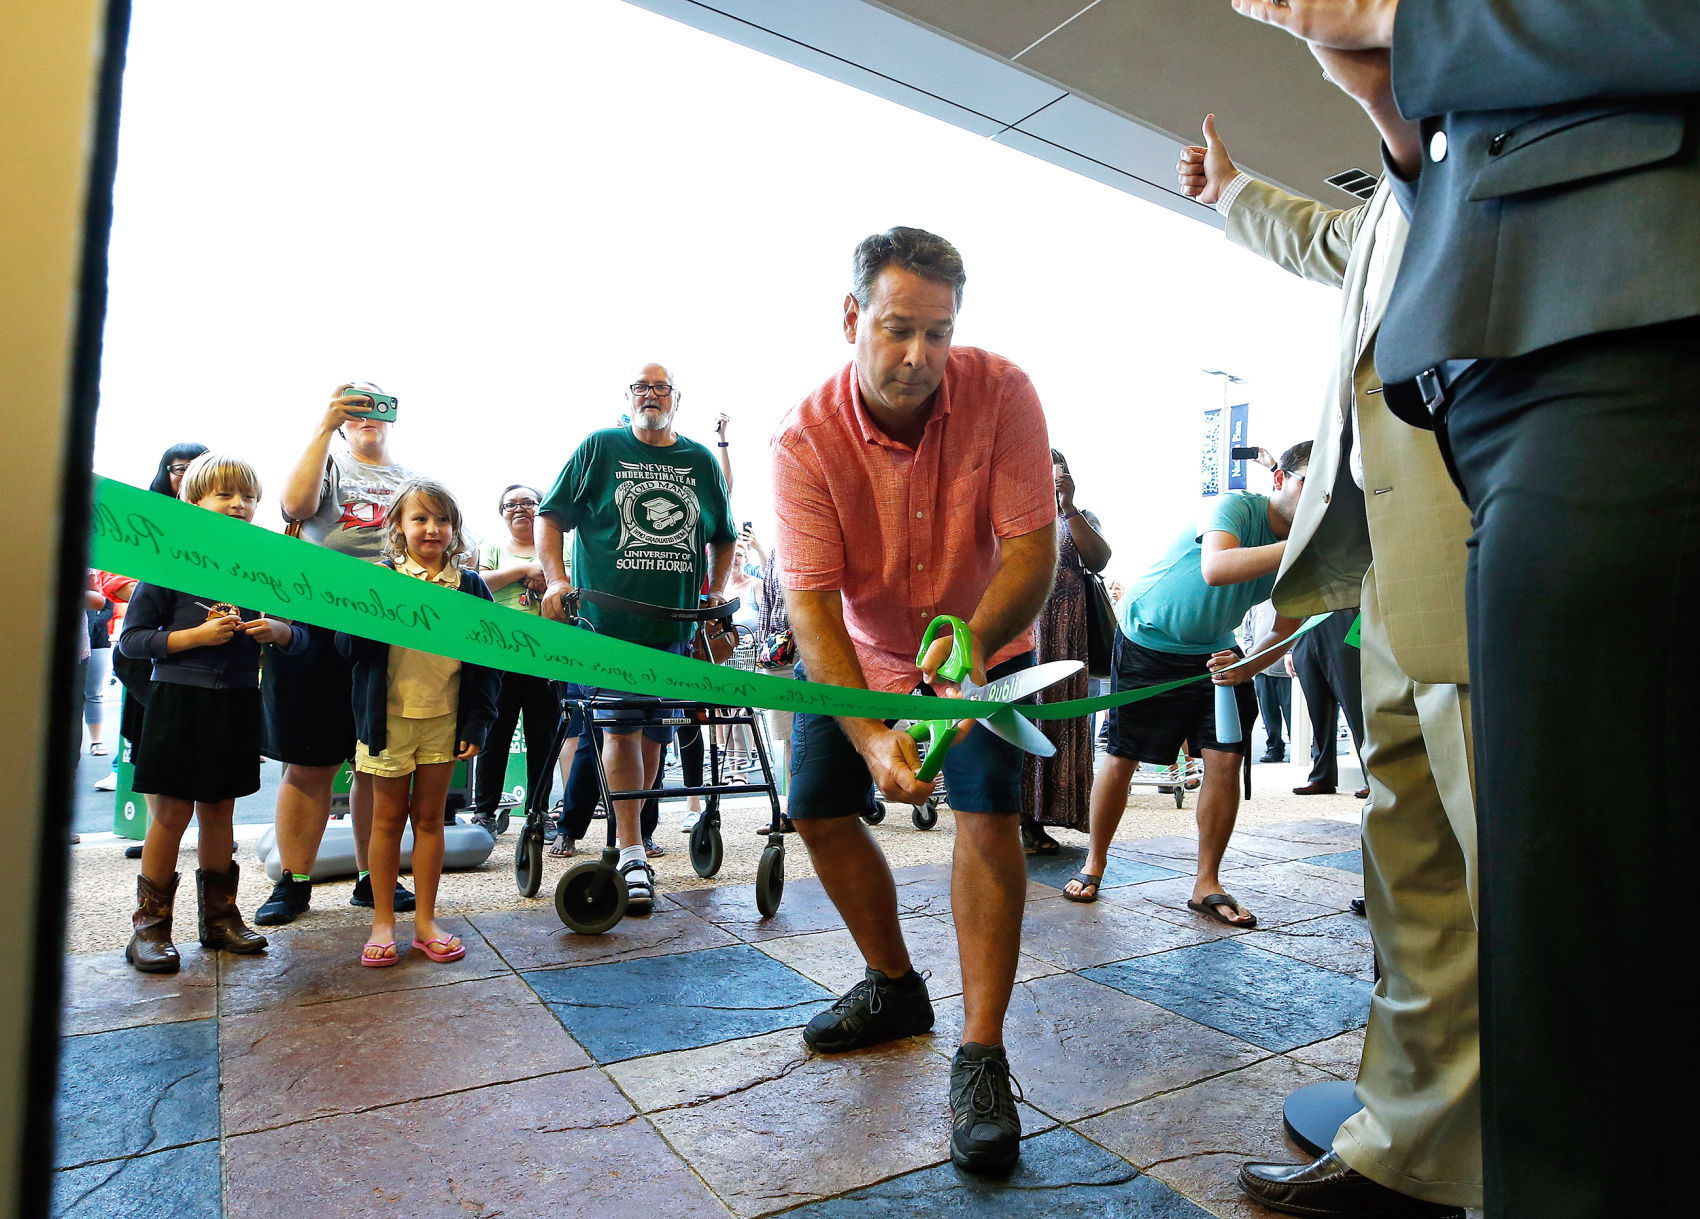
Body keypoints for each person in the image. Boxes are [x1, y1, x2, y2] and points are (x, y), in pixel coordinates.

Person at [1234, 3, 1700, 1213]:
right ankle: (1415, 1141)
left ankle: (1509, 1165)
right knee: (1414, 844)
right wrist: (1386, 109)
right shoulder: (1425, 154)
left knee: (1531, 854)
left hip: (1542, 418)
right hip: (1414, 492)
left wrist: (1401, 19)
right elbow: (1383, 228)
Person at [1181, 87, 1481, 1217]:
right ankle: (1409, 1151)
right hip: (1392, 573)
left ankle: (1551, 1159)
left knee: (1519, 875)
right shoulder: (1386, 198)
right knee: (1413, 875)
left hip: (1499, 548)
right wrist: (1231, 195)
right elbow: (1321, 237)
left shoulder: (1523, 125)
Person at [773, 226, 1057, 1173]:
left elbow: (1032, 551)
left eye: (938, 335)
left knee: (986, 810)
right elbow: (809, 606)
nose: (919, 357)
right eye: (898, 330)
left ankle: (981, 1054)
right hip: (860, 649)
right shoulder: (803, 440)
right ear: (852, 318)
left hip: (979, 641)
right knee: (815, 803)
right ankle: (894, 985)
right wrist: (866, 733)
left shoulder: (1004, 391)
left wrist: (963, 661)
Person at [1064, 444, 1311, 920]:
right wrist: (1303, 547)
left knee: (1225, 759)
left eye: (1330, 488)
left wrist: (1251, 665)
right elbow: (1215, 568)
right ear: (1278, 480)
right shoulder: (1236, 506)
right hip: (1148, 639)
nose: (1321, 494)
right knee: (1123, 755)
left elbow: (1286, 627)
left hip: (1217, 652)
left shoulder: (1305, 548)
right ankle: (1094, 863)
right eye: (1310, 481)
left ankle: (1207, 882)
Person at [537, 363, 735, 911]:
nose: (651, 395)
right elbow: (550, 516)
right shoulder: (600, 448)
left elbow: (724, 536)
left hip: (671, 624)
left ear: (677, 397)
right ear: (628, 397)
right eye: (640, 387)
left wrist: (715, 590)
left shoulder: (698, 462)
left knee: (652, 735)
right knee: (621, 729)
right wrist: (557, 579)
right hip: (606, 625)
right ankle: (630, 849)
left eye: (660, 387)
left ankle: (632, 835)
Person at [116, 453, 308, 972]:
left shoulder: (265, 565)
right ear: (192, 501)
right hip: (179, 700)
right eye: (224, 495)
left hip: (239, 701)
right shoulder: (167, 560)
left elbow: (301, 633)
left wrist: (280, 632)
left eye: (247, 497)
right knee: (172, 813)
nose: (238, 505)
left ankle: (220, 921)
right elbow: (131, 642)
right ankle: (149, 930)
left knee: (220, 811)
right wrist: (192, 638)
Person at [255, 382, 416, 926]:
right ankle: (294, 881)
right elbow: (294, 506)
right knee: (307, 762)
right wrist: (324, 427)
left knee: (376, 763)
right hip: (314, 624)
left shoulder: (410, 481)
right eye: (354, 406)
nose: (367, 414)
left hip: (383, 630)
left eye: (377, 405)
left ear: (395, 415)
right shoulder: (326, 463)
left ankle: (376, 878)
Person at [336, 479, 499, 967]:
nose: (432, 529)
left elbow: (489, 661)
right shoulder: (379, 580)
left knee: (430, 820)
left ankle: (426, 921)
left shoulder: (470, 586)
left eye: (442, 520)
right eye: (420, 519)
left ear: (455, 529)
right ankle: (383, 921)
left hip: (445, 721)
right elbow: (346, 648)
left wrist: (479, 721)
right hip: (388, 721)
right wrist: (376, 612)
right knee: (386, 822)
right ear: (397, 527)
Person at [1019, 449, 1110, 852]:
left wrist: (1068, 507)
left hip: (1067, 636)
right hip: (1024, 631)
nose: (1056, 479)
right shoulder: (1013, 516)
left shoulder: (1078, 517)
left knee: (1063, 720)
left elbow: (1100, 558)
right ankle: (1023, 819)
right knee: (1024, 719)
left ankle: (1055, 813)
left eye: (1062, 473)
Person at [470, 483, 560, 836]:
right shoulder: (491, 547)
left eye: (529, 502)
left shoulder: (557, 548)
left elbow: (569, 586)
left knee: (544, 739)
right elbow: (477, 585)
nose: (520, 509)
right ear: (501, 513)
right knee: (494, 736)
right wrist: (524, 571)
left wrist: (549, 577)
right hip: (500, 656)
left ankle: (539, 812)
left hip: (547, 658)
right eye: (511, 504)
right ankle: (484, 812)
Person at [1290, 607, 1368, 798]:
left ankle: (1375, 776)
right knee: (1317, 710)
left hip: (1343, 614)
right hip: (1307, 622)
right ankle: (1322, 775)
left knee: (1356, 707)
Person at [1243, 600, 1290, 762]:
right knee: (1268, 713)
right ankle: (1274, 747)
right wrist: (1252, 655)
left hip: (1285, 671)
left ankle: (1301, 747)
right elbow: (1247, 634)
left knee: (1292, 712)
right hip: (1262, 671)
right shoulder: (1256, 604)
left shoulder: (1287, 601)